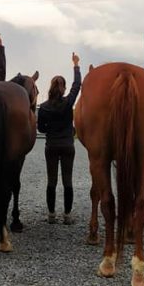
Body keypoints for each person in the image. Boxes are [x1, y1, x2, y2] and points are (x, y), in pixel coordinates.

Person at [37, 52, 82, 225]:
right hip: (67, 145)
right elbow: (77, 85)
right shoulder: (68, 102)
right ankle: (67, 215)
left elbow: (40, 128)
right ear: (63, 88)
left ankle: (51, 214)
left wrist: (50, 129)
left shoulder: (44, 107)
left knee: (52, 180)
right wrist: (76, 64)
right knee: (67, 180)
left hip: (52, 145)